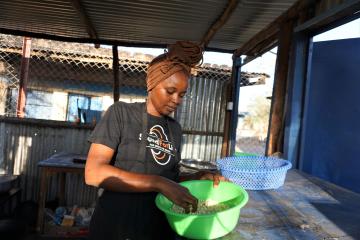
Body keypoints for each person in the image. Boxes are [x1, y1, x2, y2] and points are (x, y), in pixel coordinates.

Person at [85, 41, 226, 240]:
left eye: (182, 95)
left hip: (157, 228)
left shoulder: (175, 130)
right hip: (116, 227)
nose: (176, 99)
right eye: (170, 91)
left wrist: (197, 177)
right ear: (151, 84)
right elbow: (93, 173)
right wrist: (157, 183)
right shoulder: (121, 114)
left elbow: (171, 180)